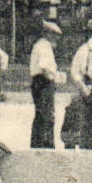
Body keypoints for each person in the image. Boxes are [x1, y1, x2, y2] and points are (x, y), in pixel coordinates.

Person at [62, 18, 92, 150]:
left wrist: (84, 88)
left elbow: (74, 72)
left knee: (85, 123)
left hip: (84, 86)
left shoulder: (82, 49)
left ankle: (85, 147)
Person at [27, 20, 62, 149]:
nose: (56, 39)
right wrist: (53, 77)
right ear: (49, 34)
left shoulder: (39, 45)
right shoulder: (45, 46)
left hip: (38, 81)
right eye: (55, 36)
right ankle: (45, 143)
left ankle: (38, 143)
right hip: (43, 82)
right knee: (46, 113)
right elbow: (44, 66)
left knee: (41, 113)